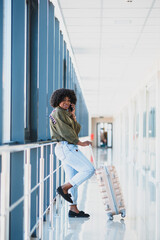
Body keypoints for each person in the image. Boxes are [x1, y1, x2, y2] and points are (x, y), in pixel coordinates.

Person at [49, 88, 95, 218]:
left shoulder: (64, 113)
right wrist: (80, 143)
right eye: (63, 100)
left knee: (73, 178)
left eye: (69, 100)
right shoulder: (58, 112)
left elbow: (75, 130)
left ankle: (73, 208)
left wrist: (73, 115)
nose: (66, 102)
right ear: (57, 100)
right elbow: (65, 132)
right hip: (66, 147)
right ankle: (64, 188)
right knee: (89, 169)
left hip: (67, 147)